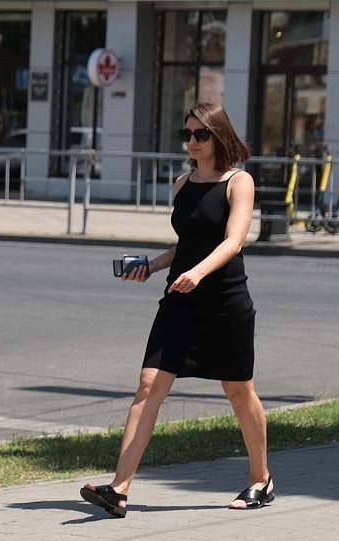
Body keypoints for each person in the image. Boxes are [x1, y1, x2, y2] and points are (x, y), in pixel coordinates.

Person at [80, 102, 273, 518]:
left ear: (219, 136)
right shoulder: (183, 182)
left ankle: (262, 479)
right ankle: (119, 489)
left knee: (238, 392)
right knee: (148, 384)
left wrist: (199, 273)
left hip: (224, 301)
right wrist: (151, 265)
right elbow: (187, 245)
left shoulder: (238, 182)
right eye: (187, 134)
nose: (191, 142)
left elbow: (233, 241)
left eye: (200, 134)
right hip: (181, 299)